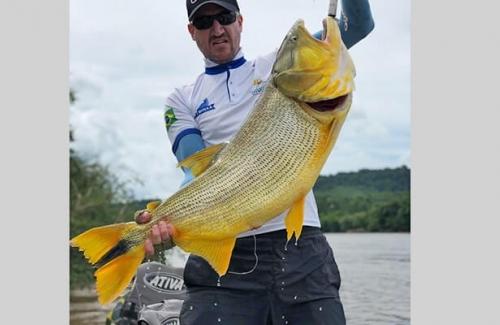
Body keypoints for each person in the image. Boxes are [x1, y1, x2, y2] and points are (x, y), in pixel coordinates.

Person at [136, 0, 374, 324]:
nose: (217, 29)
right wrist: (168, 215)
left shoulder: (283, 66)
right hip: (225, 255)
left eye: (224, 17)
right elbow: (196, 172)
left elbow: (357, 26)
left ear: (240, 21)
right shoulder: (181, 99)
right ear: (192, 32)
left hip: (300, 245)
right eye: (204, 22)